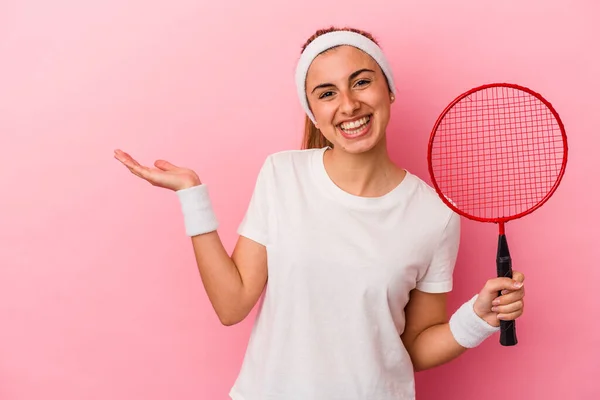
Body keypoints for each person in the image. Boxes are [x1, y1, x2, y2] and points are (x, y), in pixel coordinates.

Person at [114, 26, 525, 400]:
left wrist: (479, 319)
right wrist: (192, 197)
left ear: (390, 90)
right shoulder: (282, 174)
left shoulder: (435, 215)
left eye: (361, 82)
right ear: (312, 111)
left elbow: (412, 347)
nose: (348, 105)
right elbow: (232, 304)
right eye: (327, 93)